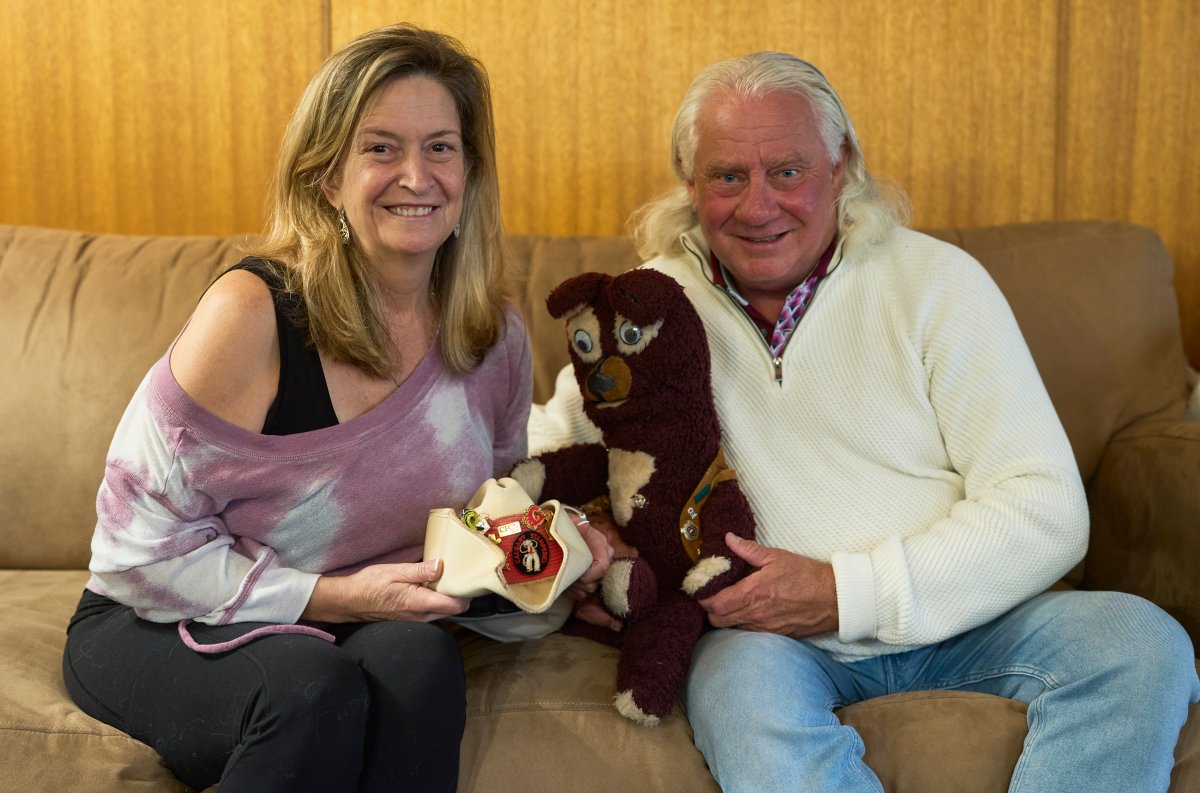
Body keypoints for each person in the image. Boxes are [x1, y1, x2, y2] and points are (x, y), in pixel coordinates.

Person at [532, 51, 1200, 792]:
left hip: (974, 615)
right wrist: (580, 543)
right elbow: (544, 449)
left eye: (787, 170)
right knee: (736, 697)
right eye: (728, 176)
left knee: (1139, 641)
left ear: (841, 163)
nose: (758, 206)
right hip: (767, 640)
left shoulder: (938, 282)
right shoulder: (646, 308)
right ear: (690, 182)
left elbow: (1047, 507)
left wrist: (847, 590)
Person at [61, 24, 609, 793]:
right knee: (311, 688)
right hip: (154, 618)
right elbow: (134, 556)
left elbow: (478, 524)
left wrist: (558, 558)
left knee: (419, 661)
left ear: (470, 171)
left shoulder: (494, 339)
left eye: (441, 148)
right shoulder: (250, 316)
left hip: (352, 619)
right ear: (327, 176)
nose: (415, 176)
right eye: (381, 147)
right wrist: (339, 595)